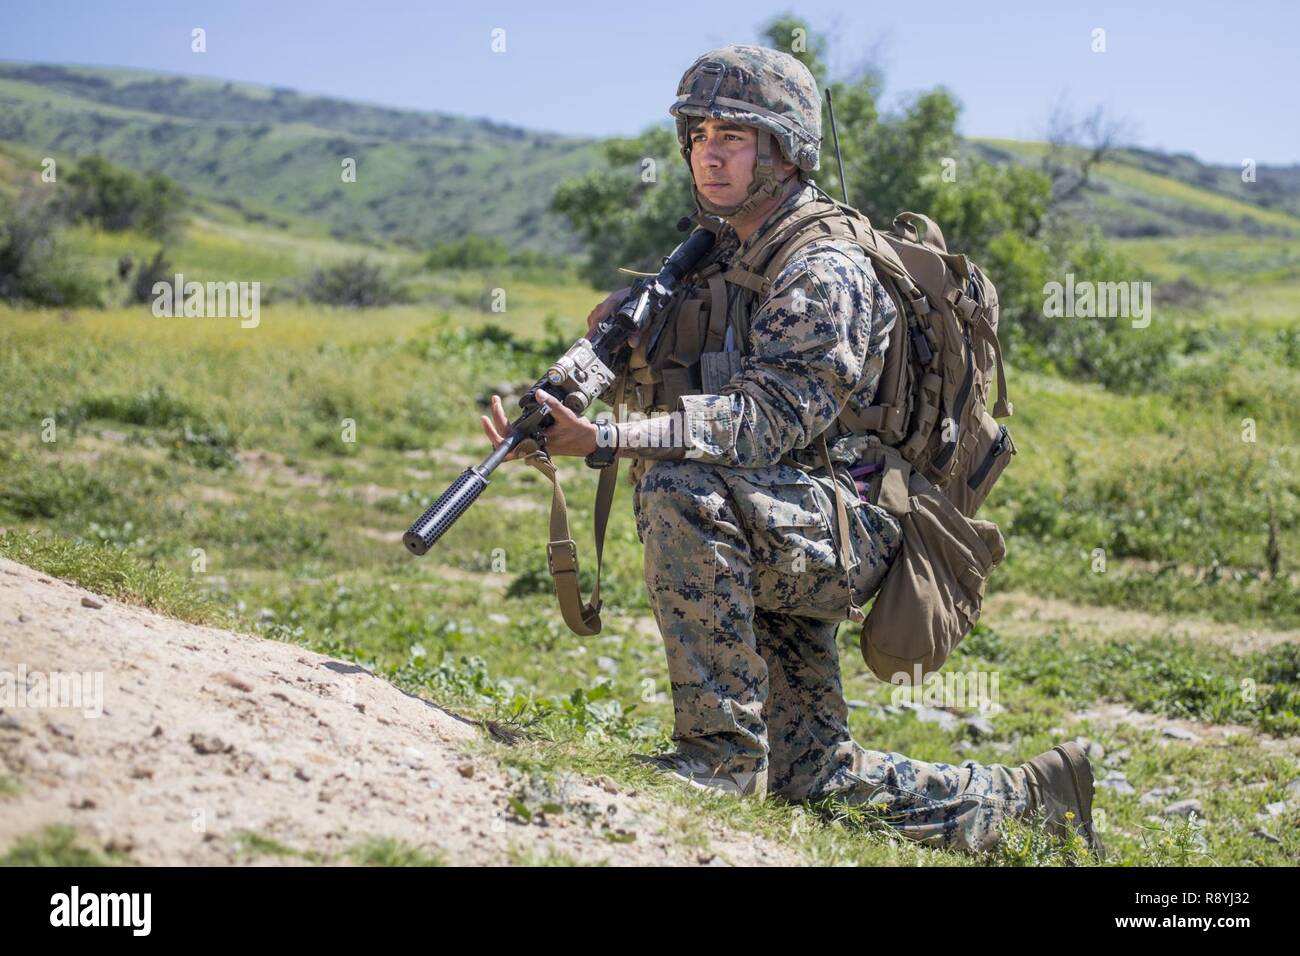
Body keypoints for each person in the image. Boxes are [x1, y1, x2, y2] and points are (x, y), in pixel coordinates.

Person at [483, 44, 1102, 857]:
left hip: (852, 525)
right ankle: (1031, 800)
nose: (710, 149)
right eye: (699, 132)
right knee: (814, 780)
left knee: (678, 488)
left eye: (736, 135)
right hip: (779, 513)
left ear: (785, 152)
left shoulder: (825, 267)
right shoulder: (715, 254)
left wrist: (605, 440)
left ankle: (717, 759)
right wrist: (554, 409)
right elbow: (634, 356)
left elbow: (765, 421)